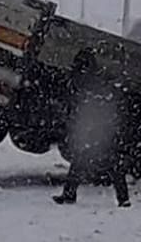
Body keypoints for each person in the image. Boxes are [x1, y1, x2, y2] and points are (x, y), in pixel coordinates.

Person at [53, 50, 132, 207]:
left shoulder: (83, 81)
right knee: (108, 163)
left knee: (86, 161)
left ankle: (70, 195)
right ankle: (123, 199)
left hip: (96, 127)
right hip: (100, 127)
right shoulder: (93, 80)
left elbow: (83, 103)